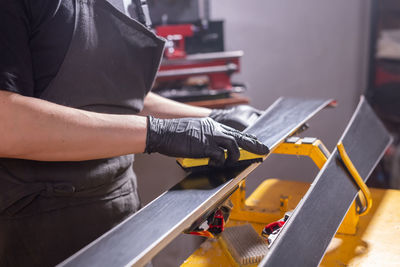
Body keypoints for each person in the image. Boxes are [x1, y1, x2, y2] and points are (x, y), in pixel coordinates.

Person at [0, 0, 268, 266]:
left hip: (120, 206)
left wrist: (211, 119)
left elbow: (119, 97)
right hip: (37, 224)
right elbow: (6, 123)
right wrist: (159, 133)